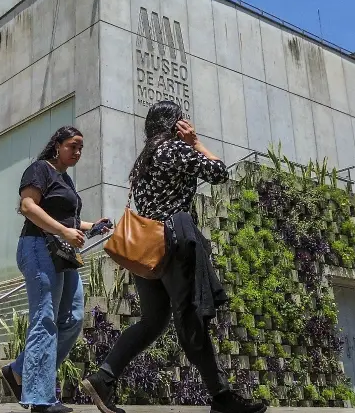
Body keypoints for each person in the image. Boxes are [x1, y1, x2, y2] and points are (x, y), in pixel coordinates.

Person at [80, 101, 267, 413]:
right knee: (190, 317)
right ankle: (221, 398)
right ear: (174, 124)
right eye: (182, 120)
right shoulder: (174, 150)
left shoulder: (145, 159)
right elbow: (219, 172)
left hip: (145, 248)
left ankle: (104, 377)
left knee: (153, 321)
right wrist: (195, 142)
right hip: (173, 240)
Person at [0, 126, 110, 413]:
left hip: (62, 254)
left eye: (81, 148)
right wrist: (64, 230)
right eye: (73, 146)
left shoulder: (66, 180)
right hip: (37, 248)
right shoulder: (40, 169)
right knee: (45, 319)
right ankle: (39, 398)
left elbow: (69, 220)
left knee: (73, 318)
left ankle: (19, 370)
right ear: (57, 145)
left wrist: (93, 227)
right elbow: (28, 206)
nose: (77, 152)